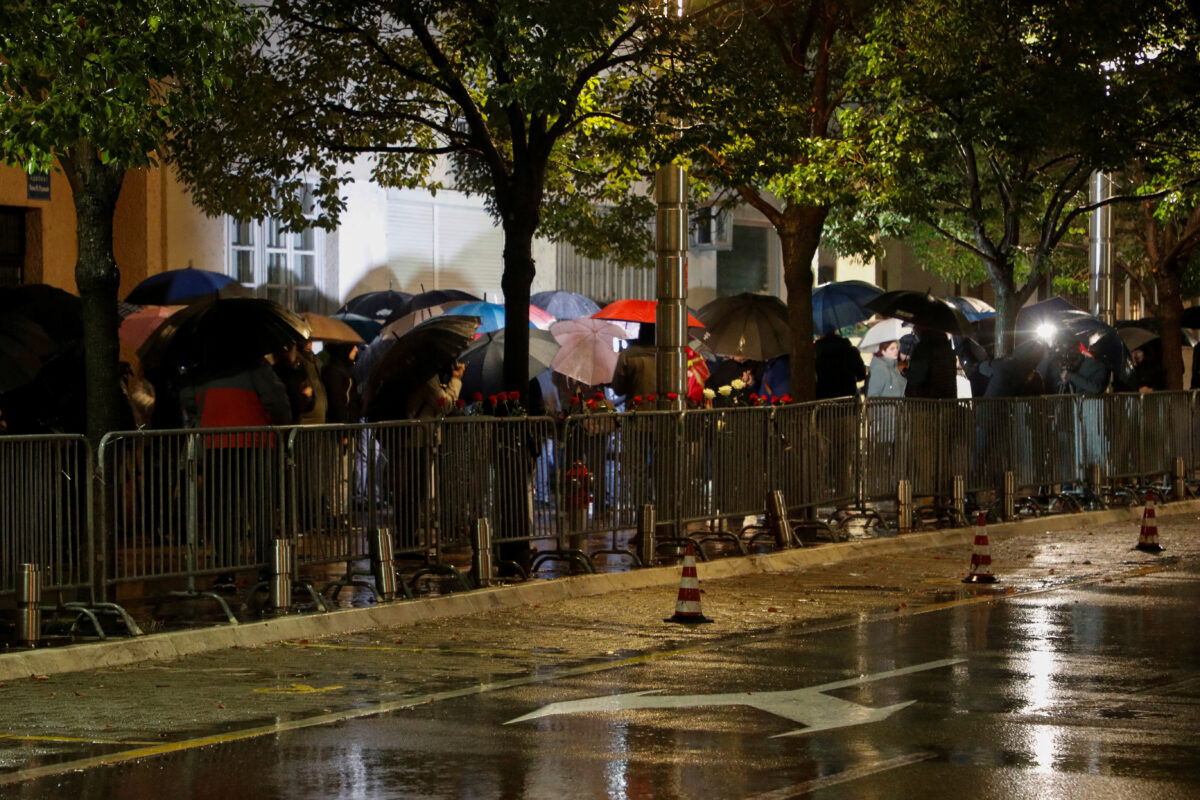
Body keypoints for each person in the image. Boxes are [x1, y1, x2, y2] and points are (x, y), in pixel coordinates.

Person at [904, 327, 957, 399]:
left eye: (916, 326)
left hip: (926, 403)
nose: (914, 328)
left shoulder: (923, 348)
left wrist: (906, 372)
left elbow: (917, 378)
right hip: (947, 402)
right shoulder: (947, 348)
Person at [611, 323, 656, 402]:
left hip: (636, 409)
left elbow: (618, 390)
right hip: (666, 411)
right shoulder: (671, 355)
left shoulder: (628, 355)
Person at [814, 331, 865, 399]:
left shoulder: (816, 353)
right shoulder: (851, 351)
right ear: (836, 332)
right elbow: (861, 375)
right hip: (848, 396)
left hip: (824, 398)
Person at [321, 343, 361, 424]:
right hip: (342, 430)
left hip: (349, 427)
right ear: (344, 349)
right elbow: (337, 404)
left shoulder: (345, 369)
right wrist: (344, 432)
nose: (356, 349)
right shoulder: (334, 372)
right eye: (352, 346)